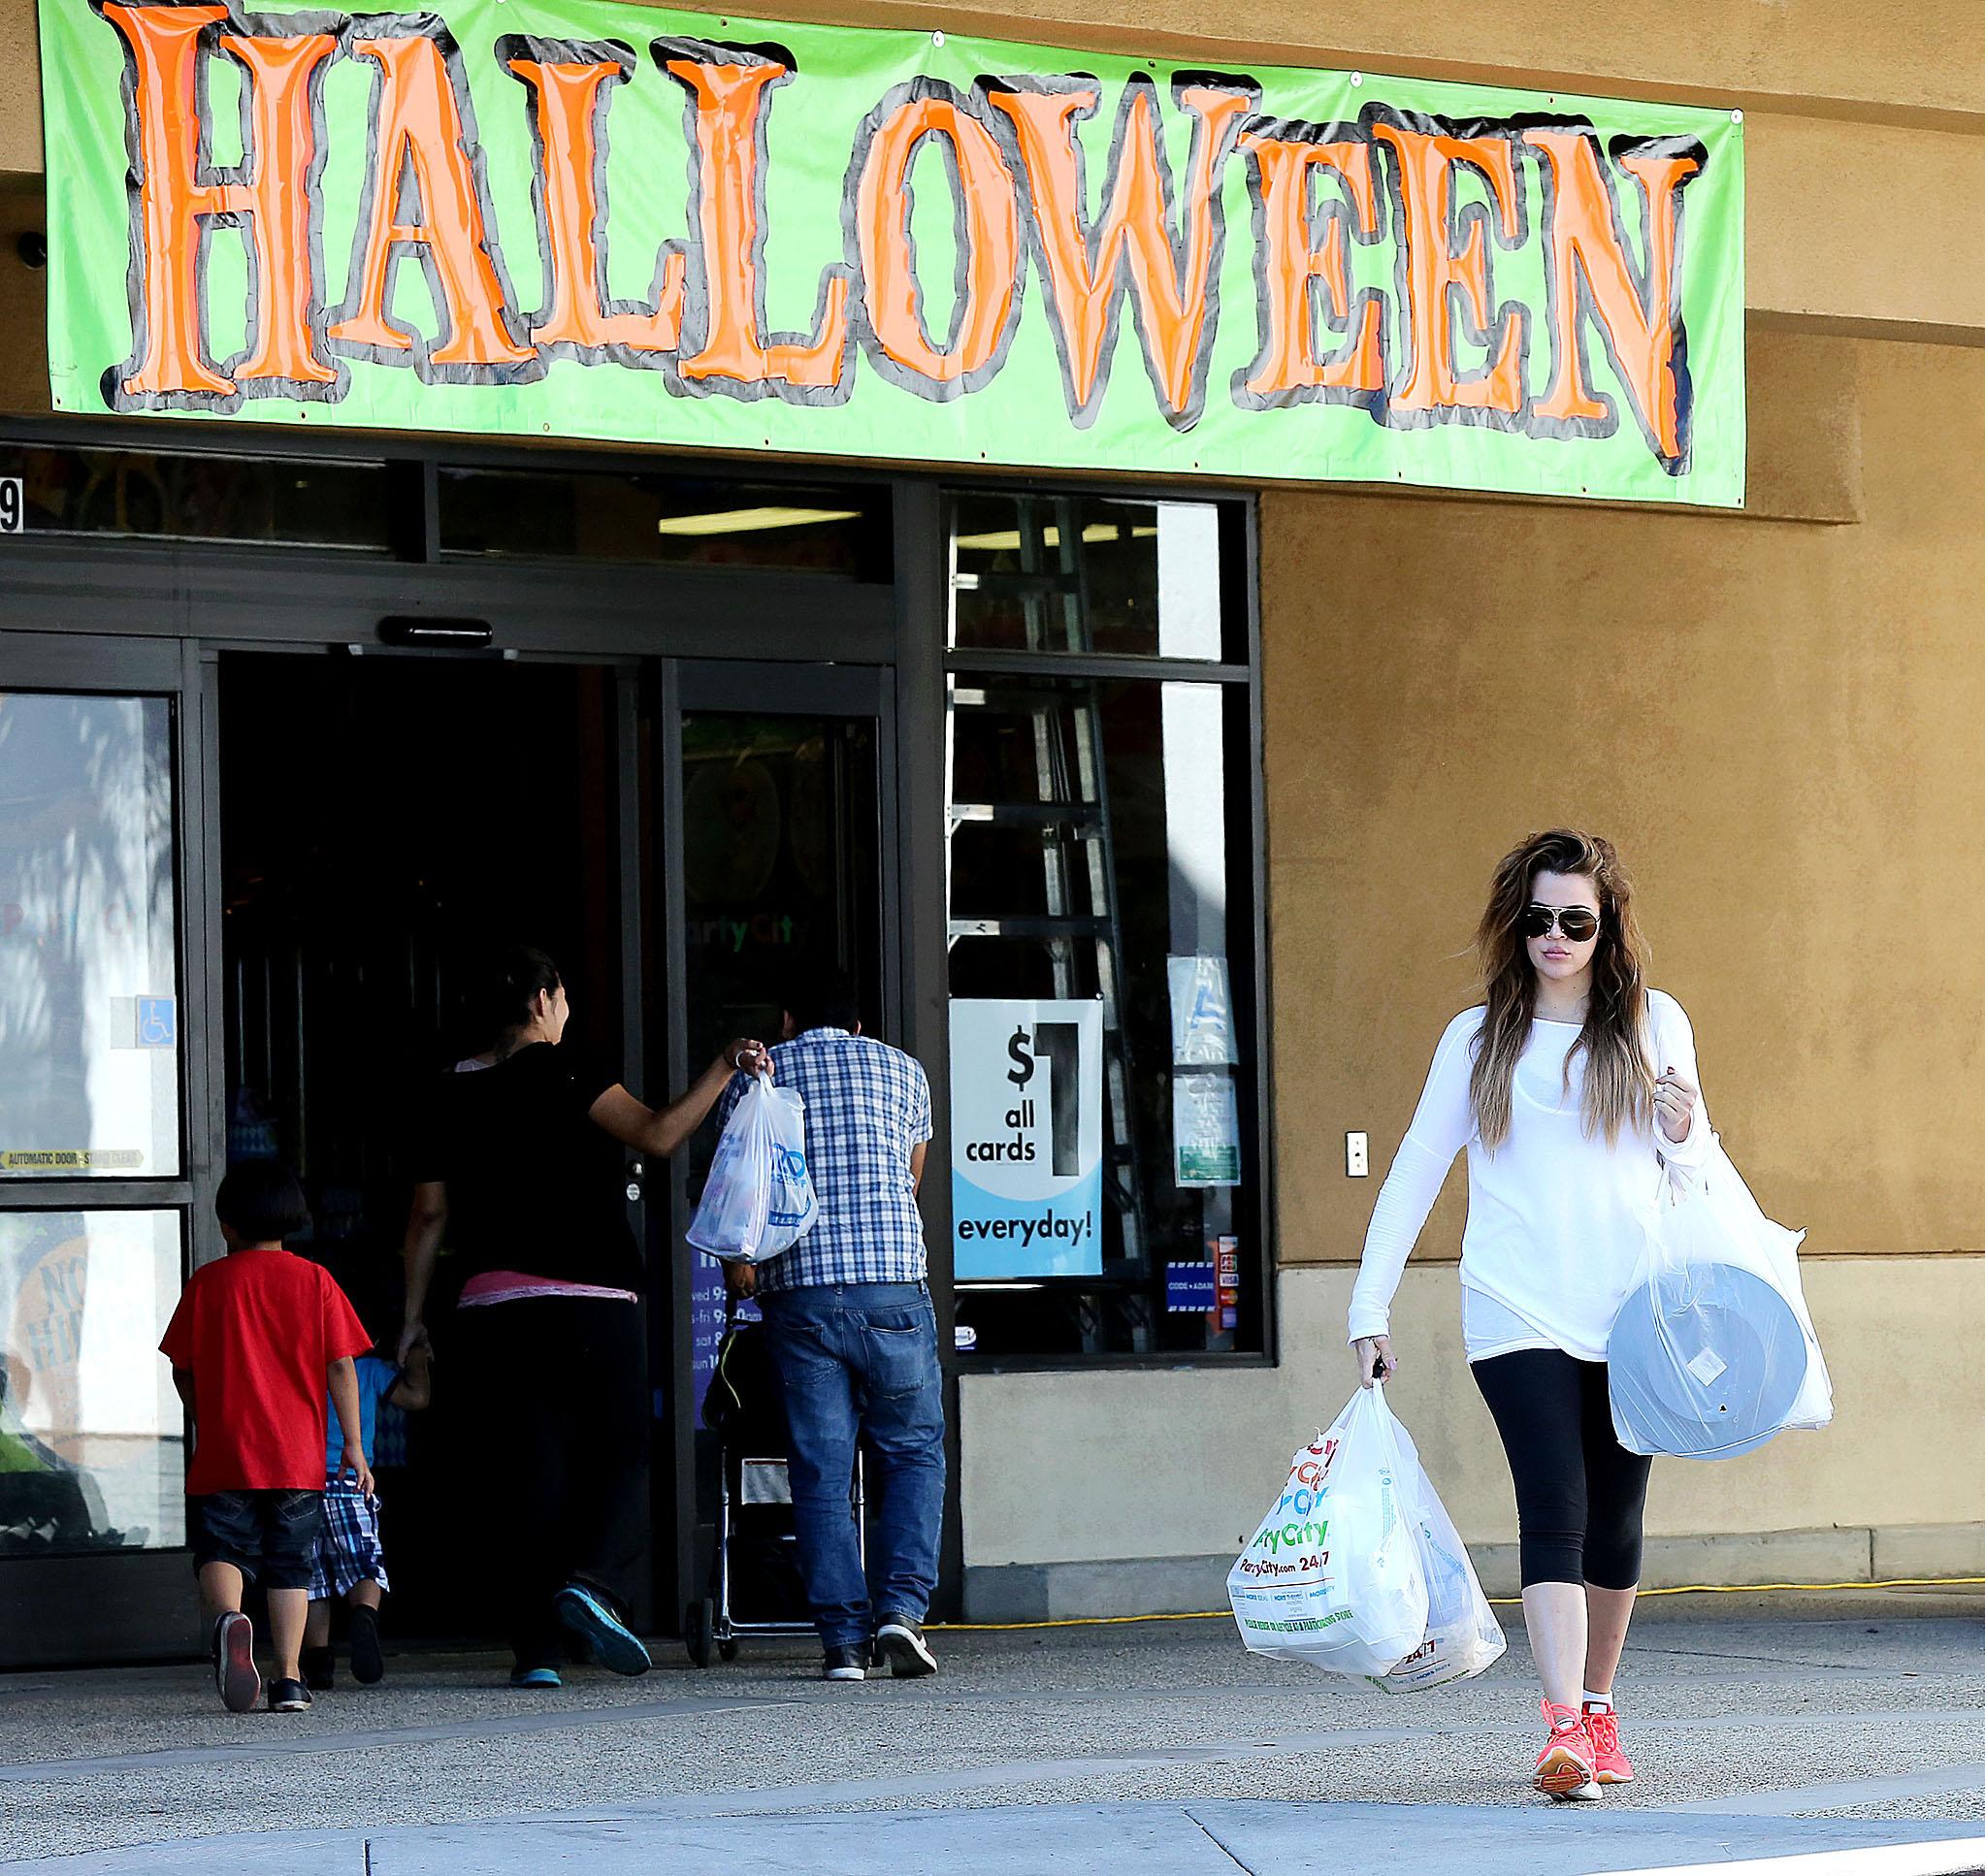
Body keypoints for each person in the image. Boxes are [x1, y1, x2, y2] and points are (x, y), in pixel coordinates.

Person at [1348, 829, 1707, 1801]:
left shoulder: (1653, 1021)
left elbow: (1694, 1168)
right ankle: (1561, 1728)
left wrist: (1683, 1126)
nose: (1556, 935)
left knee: (1619, 1522)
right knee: (1556, 1500)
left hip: (1632, 1311)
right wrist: (1366, 1301)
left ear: (1608, 925)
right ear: (1518, 920)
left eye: (1576, 919)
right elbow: (1418, 1164)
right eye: (1539, 917)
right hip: (1513, 1307)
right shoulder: (1477, 1038)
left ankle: (1598, 1703)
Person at [398, 945, 766, 1689]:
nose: (566, 1011)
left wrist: (411, 1322)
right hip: (594, 1302)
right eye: (562, 997)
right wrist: (724, 1065)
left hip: (494, 1307)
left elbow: (428, 1215)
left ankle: (535, 1653)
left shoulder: (445, 1093)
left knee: (529, 1475)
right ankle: (594, 1584)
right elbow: (661, 1135)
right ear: (541, 1000)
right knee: (623, 1456)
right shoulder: (570, 1069)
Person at [719, 967, 943, 1683]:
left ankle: (843, 1643)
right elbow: (911, 1178)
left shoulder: (761, 1076)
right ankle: (900, 1614)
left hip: (801, 1293)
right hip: (891, 1289)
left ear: (788, 1020)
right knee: (909, 1454)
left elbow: (739, 1183)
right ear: (856, 1024)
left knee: (819, 1472)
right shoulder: (904, 1071)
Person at [159, 1163, 374, 1714]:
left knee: (222, 1549)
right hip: (297, 1456)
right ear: (294, 1219)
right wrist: (353, 1443)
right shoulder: (315, 1281)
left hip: (228, 1450)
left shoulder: (208, 1282)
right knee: (289, 1564)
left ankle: (232, 1620)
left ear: (226, 1225)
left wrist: (205, 1415)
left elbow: (180, 1367)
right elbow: (342, 1368)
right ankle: (289, 1678)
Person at [300, 1327, 431, 1692]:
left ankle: (318, 1664)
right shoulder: (369, 1369)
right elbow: (416, 1397)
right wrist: (418, 1359)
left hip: (299, 1484)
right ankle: (364, 1616)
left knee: (312, 1580)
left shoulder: (301, 1365)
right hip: (350, 1480)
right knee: (363, 1560)